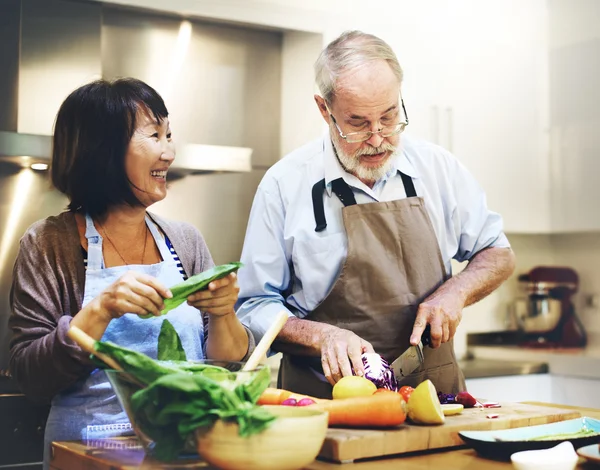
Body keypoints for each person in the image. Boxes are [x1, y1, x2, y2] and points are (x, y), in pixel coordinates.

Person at [236, 30, 516, 399]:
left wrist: (454, 293)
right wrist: (321, 336)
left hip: (434, 397)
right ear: (325, 110)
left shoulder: (439, 169)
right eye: (358, 123)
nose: (378, 137)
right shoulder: (284, 185)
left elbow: (497, 253)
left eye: (389, 116)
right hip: (323, 404)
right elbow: (254, 305)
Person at [9, 78, 255, 467]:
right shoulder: (47, 244)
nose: (169, 151)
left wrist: (224, 312)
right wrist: (100, 309)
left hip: (183, 446)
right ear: (103, 150)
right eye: (154, 135)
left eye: (169, 134)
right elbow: (30, 378)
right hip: (91, 450)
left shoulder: (184, 240)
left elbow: (225, 364)